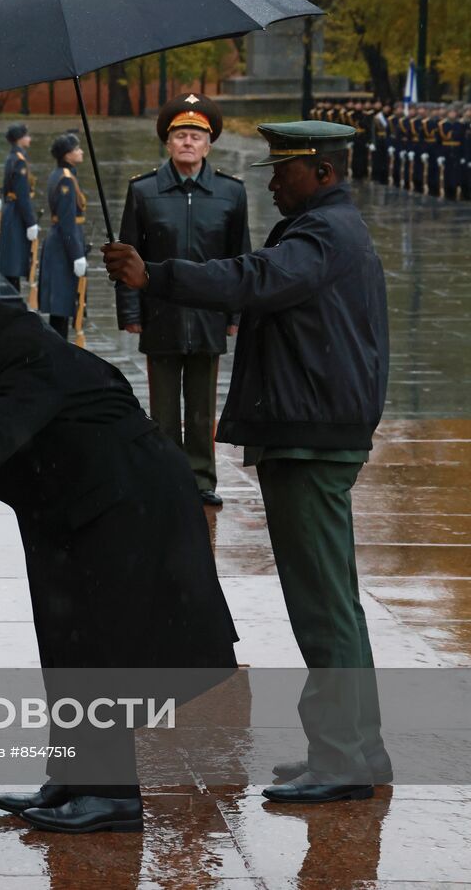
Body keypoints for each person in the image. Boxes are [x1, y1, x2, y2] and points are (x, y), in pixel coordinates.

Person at [0, 263, 237, 834]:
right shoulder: (1, 348)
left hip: (127, 506)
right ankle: (74, 777)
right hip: (81, 507)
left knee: (98, 648)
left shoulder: (29, 353)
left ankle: (112, 797)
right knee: (65, 640)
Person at [103, 121, 392, 804]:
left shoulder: (321, 234)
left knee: (322, 604)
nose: (271, 180)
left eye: (283, 169)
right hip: (314, 429)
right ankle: (353, 747)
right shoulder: (327, 227)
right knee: (329, 599)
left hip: (311, 436)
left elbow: (254, 278)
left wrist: (158, 275)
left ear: (321, 171)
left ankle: (346, 755)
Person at [114, 94, 250, 508]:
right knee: (164, 408)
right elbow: (127, 254)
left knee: (202, 407)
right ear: (167, 143)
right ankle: (167, 476)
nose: (188, 143)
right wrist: (131, 311)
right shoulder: (143, 191)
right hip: (161, 314)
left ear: (209, 145)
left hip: (208, 314)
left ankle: (202, 477)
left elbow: (238, 258)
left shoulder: (231, 193)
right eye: (180, 136)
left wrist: (235, 313)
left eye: (196, 136)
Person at [37, 133, 88, 338]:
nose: (81, 152)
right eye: (77, 149)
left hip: (59, 242)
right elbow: (67, 224)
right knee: (62, 303)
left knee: (61, 305)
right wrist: (77, 255)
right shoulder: (66, 180)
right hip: (63, 246)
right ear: (67, 155)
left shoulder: (60, 173)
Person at [0, 123, 39, 291]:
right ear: (20, 139)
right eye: (26, 136)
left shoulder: (14, 157)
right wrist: (31, 222)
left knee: (13, 261)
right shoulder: (19, 161)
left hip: (11, 210)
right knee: (14, 263)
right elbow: (22, 195)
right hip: (16, 215)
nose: (29, 139)